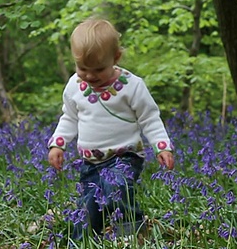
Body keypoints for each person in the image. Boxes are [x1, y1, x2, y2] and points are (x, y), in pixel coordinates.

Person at [47, 18, 175, 243]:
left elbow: (150, 118)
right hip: (90, 164)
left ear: (116, 58)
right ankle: (82, 242)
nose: (89, 76)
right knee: (88, 209)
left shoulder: (132, 86)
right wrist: (58, 143)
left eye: (98, 69)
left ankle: (131, 235)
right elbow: (69, 117)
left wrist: (161, 146)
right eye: (82, 68)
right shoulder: (74, 87)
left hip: (124, 157)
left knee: (116, 185)